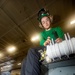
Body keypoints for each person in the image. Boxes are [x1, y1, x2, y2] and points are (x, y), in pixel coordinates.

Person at [21, 8, 64, 75]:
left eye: (47, 20)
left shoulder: (57, 29)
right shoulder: (41, 34)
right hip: (45, 49)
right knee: (25, 60)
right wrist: (45, 43)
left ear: (50, 20)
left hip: (56, 47)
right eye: (43, 22)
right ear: (42, 25)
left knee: (32, 50)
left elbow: (63, 38)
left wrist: (61, 40)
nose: (46, 23)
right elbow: (41, 43)